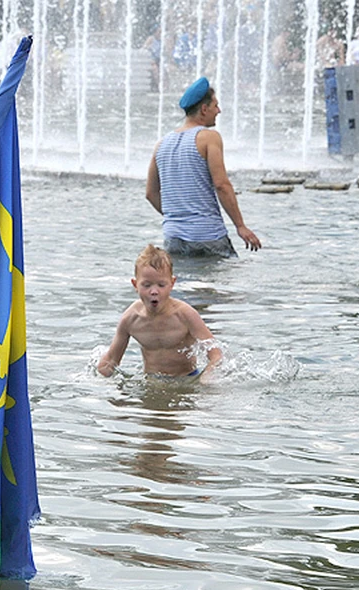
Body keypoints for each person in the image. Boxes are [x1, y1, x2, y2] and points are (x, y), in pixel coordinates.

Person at [145, 77, 262, 258]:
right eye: (215, 106)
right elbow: (221, 184)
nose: (219, 111)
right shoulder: (208, 137)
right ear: (204, 109)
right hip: (208, 236)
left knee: (182, 284)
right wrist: (240, 226)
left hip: (173, 237)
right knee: (221, 284)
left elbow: (150, 193)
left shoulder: (161, 144)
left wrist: (177, 216)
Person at [97, 244, 221, 378]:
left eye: (161, 285)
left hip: (187, 377)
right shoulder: (130, 319)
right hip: (152, 381)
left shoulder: (185, 315)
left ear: (172, 284)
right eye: (146, 285)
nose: (154, 291)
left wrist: (206, 379)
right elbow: (111, 360)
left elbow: (216, 355)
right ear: (135, 285)